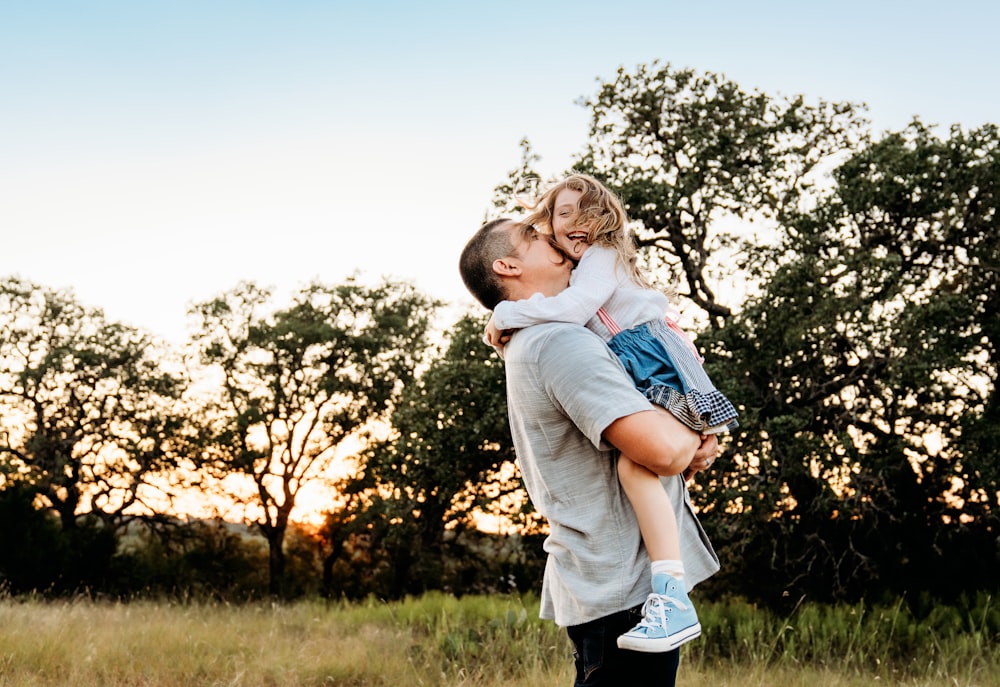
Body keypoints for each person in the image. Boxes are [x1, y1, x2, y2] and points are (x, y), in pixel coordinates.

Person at [459, 218, 720, 686]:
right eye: (533, 237)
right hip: (624, 595)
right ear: (507, 265)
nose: (552, 236)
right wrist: (696, 432)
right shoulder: (560, 341)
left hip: (611, 585)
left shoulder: (539, 337)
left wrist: (691, 437)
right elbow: (661, 452)